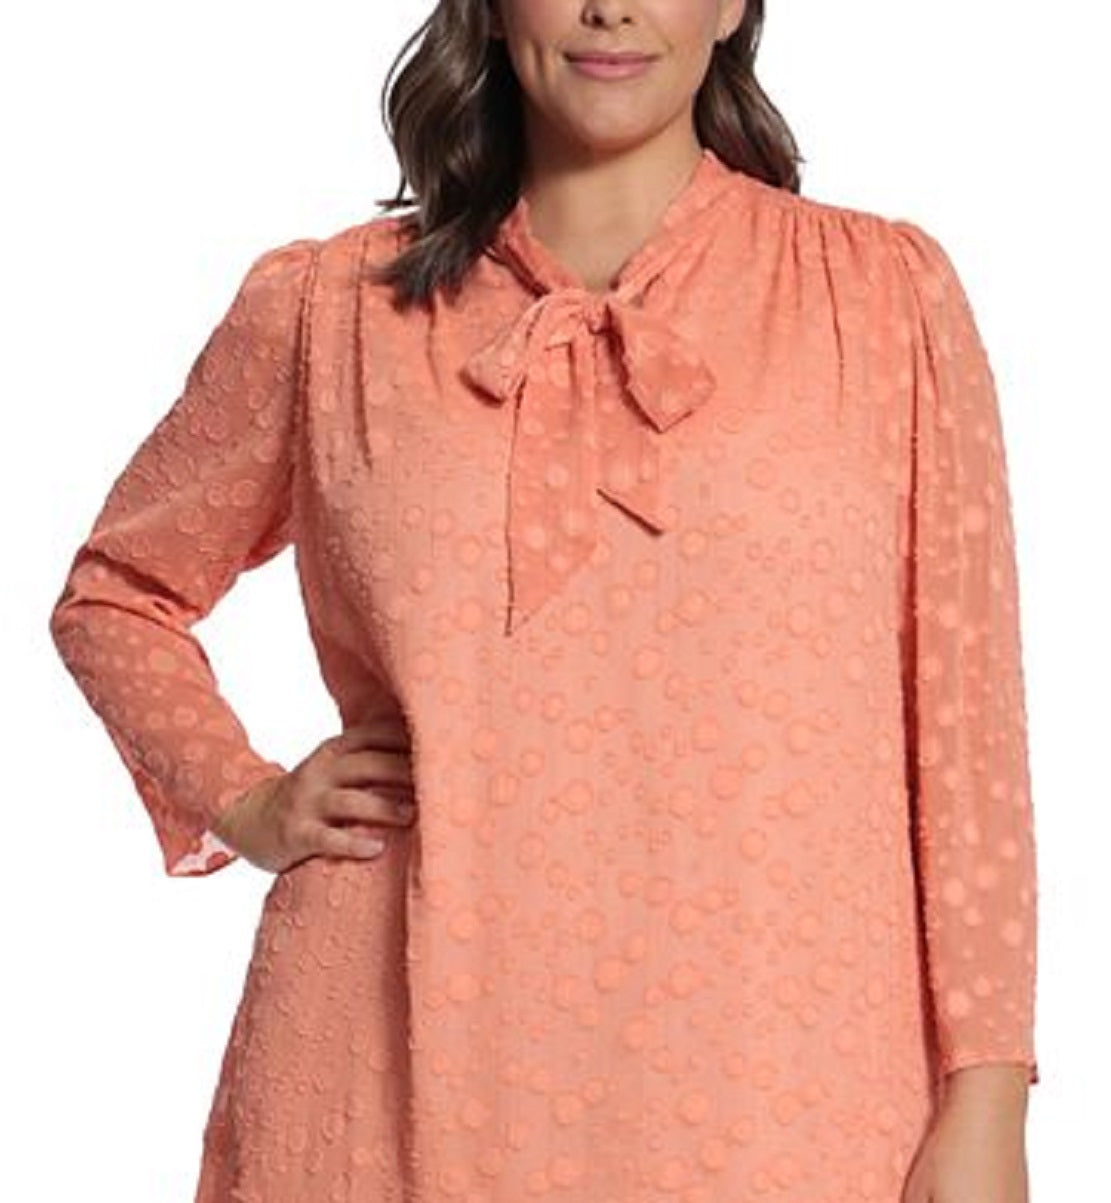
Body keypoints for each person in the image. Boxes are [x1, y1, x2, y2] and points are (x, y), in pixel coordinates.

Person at [48, 1, 1040, 1200]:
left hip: (788, 1073)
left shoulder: (877, 295)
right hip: (396, 1062)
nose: (609, 7)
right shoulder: (329, 307)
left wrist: (988, 1090)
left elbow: (965, 723)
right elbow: (119, 593)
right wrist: (246, 800)